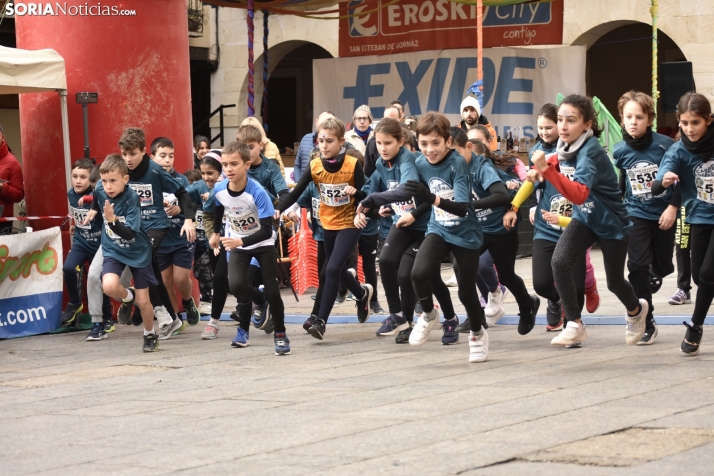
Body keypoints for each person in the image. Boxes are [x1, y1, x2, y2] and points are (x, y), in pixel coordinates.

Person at [531, 95, 648, 348]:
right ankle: (574, 323)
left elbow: (579, 193)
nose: (563, 126)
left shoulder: (589, 151)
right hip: (585, 219)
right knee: (559, 261)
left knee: (615, 282)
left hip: (611, 223)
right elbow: (556, 160)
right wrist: (540, 170)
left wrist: (548, 171)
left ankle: (637, 311)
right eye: (560, 119)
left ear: (586, 125)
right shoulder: (567, 145)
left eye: (571, 120)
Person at [356, 117, 457, 344]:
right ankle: (399, 316)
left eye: (388, 143)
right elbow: (370, 190)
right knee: (385, 260)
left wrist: (407, 211)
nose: (382, 148)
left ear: (401, 142)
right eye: (379, 143)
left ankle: (450, 318)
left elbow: (408, 192)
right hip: (402, 223)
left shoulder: (408, 159)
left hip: (424, 225)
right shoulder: (382, 164)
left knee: (421, 276)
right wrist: (369, 207)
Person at [276, 117, 374, 340]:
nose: (325, 145)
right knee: (335, 271)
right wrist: (278, 209)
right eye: (321, 140)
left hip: (350, 223)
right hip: (327, 223)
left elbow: (367, 195)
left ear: (341, 142)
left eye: (330, 141)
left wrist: (355, 193)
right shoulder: (315, 165)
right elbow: (295, 192)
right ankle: (361, 293)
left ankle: (320, 321)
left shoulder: (352, 164)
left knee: (331, 270)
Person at [404, 112, 489, 362]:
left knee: (466, 292)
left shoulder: (457, 163)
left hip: (465, 233)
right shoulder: (419, 163)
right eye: (423, 144)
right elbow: (415, 191)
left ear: (448, 142)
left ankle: (477, 333)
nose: (429, 150)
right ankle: (430, 314)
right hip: (439, 228)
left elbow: (462, 207)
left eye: (435, 143)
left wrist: (431, 198)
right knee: (418, 273)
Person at [99, 128, 196, 340]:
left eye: (132, 153)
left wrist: (188, 219)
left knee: (145, 258)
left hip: (155, 226)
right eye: (124, 154)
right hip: (132, 228)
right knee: (151, 269)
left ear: (144, 151)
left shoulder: (155, 171)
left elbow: (182, 193)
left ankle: (154, 309)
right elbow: (98, 182)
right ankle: (167, 316)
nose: (128, 159)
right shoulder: (119, 171)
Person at [450, 129, 540, 334]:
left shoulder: (482, 167)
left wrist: (470, 205)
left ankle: (527, 305)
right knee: (460, 264)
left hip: (501, 229)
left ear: (469, 148)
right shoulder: (451, 167)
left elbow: (501, 196)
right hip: (477, 229)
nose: (451, 158)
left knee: (507, 276)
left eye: (454, 152)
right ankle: (478, 313)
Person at [208, 141, 290, 355]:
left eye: (234, 164)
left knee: (273, 291)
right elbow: (217, 206)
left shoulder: (258, 192)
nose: (228, 169)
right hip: (238, 242)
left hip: (262, 244)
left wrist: (240, 242)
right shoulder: (219, 188)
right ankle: (258, 303)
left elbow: (266, 230)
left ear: (247, 164)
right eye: (225, 165)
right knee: (236, 286)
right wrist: (216, 233)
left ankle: (280, 333)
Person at [614, 91, 678, 345]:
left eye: (639, 117)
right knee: (637, 266)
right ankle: (647, 322)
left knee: (663, 266)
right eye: (628, 117)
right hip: (636, 213)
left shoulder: (666, 145)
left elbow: (681, 180)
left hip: (663, 212)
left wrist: (672, 207)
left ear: (649, 119)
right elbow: (621, 182)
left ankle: (657, 270)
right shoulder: (619, 150)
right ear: (621, 119)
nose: (633, 122)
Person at [653, 91, 714, 355]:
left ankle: (696, 325)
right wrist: (664, 181)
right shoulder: (678, 151)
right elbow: (656, 185)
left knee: (708, 273)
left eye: (696, 123)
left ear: (709, 120)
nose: (690, 129)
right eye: (685, 123)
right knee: (702, 277)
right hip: (699, 217)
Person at [83, 155, 160, 352]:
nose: (107, 186)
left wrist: (111, 220)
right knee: (108, 286)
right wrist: (93, 210)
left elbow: (129, 233)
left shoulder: (132, 198)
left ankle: (150, 333)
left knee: (143, 302)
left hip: (137, 251)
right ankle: (127, 297)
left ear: (125, 180)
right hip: (113, 249)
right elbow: (98, 195)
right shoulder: (100, 188)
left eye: (113, 181)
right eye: (105, 181)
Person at [150, 137, 201, 327]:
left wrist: (181, 209)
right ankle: (175, 318)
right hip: (160, 240)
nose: (167, 160)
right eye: (162, 156)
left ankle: (187, 301)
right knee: (165, 280)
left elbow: (194, 204)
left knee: (181, 278)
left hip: (181, 237)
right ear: (152, 157)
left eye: (171, 156)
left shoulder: (182, 180)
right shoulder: (149, 180)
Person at [60, 159, 110, 340]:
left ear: (91, 179)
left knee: (97, 280)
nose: (78, 181)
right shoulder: (70, 194)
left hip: (99, 244)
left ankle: (106, 318)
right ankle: (75, 303)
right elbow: (75, 211)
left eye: (83, 177)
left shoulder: (99, 192)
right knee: (68, 268)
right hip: (81, 241)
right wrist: (74, 223)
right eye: (74, 176)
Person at [184, 168, 213, 316]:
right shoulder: (185, 205)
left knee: (203, 269)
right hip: (190, 242)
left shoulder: (207, 201)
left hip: (206, 243)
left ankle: (207, 300)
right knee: (193, 272)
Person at [294, 111, 335, 182]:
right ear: (316, 122)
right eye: (323, 122)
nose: (325, 125)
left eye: (329, 123)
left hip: (324, 188)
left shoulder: (337, 143)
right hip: (304, 187)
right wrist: (298, 183)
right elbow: (297, 165)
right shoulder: (305, 139)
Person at [0, 125, 24, 235]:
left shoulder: (12, 162)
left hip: (2, 220)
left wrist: (2, 187)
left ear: (3, 137)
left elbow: (19, 195)